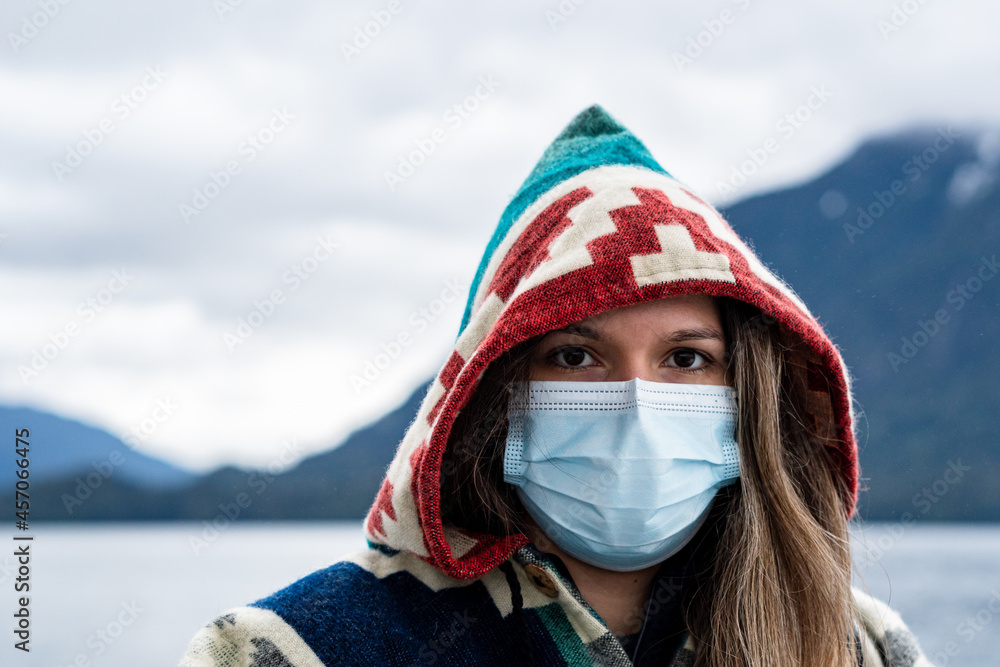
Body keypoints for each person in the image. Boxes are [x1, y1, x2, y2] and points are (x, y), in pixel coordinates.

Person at [179, 105, 931, 666]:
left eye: (686, 358)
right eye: (575, 356)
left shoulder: (858, 646)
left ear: (752, 402)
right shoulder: (299, 650)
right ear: (493, 392)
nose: (636, 405)